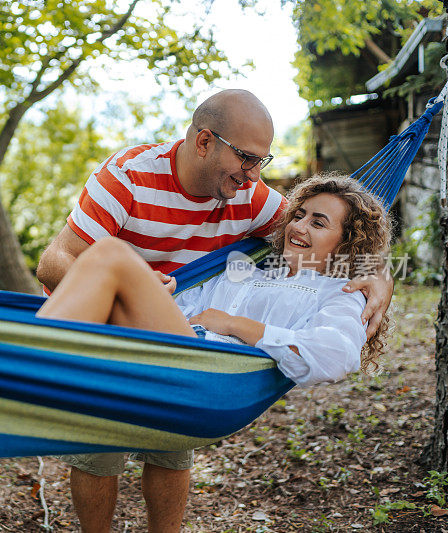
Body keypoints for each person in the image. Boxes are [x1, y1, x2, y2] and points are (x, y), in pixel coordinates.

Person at [36, 89, 393, 532]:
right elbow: (54, 260)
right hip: (123, 330)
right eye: (246, 158)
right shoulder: (128, 177)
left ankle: (29, 358)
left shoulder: (253, 198)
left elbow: (338, 242)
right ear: (204, 142)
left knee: (169, 448)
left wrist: (378, 275)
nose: (254, 174)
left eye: (262, 161)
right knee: (99, 448)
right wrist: (147, 290)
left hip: (197, 365)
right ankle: (40, 357)